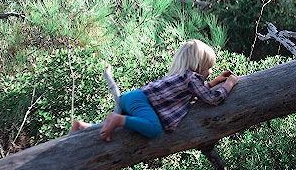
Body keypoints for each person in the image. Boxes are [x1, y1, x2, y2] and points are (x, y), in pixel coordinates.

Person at [70, 39, 240, 141]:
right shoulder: (191, 78)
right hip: (140, 101)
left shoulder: (182, 76)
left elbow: (195, 94)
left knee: (125, 130)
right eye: (209, 67)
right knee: (153, 129)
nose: (210, 72)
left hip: (133, 98)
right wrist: (229, 83)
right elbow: (212, 98)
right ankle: (117, 119)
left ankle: (84, 127)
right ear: (199, 66)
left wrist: (215, 81)